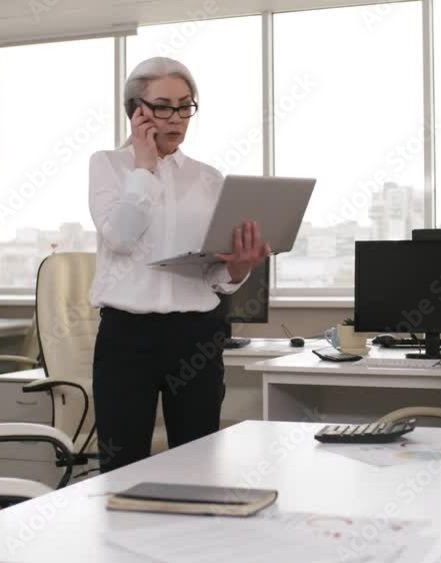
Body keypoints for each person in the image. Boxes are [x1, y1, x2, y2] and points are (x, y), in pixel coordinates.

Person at [88, 57, 269, 472]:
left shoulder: (209, 179)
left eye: (185, 105)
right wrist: (145, 166)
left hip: (197, 336)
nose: (177, 117)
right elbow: (119, 235)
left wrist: (240, 268)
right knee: (121, 467)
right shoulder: (108, 166)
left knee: (199, 465)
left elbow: (216, 276)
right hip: (127, 338)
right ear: (138, 111)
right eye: (164, 106)